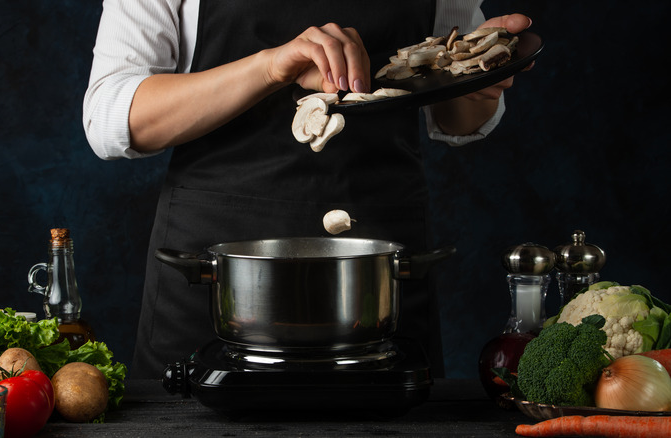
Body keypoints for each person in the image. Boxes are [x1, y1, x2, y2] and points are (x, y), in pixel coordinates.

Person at [83, 0, 533, 379]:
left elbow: (452, 117)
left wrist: (479, 84)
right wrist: (270, 67)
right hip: (217, 269)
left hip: (377, 266)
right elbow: (113, 117)